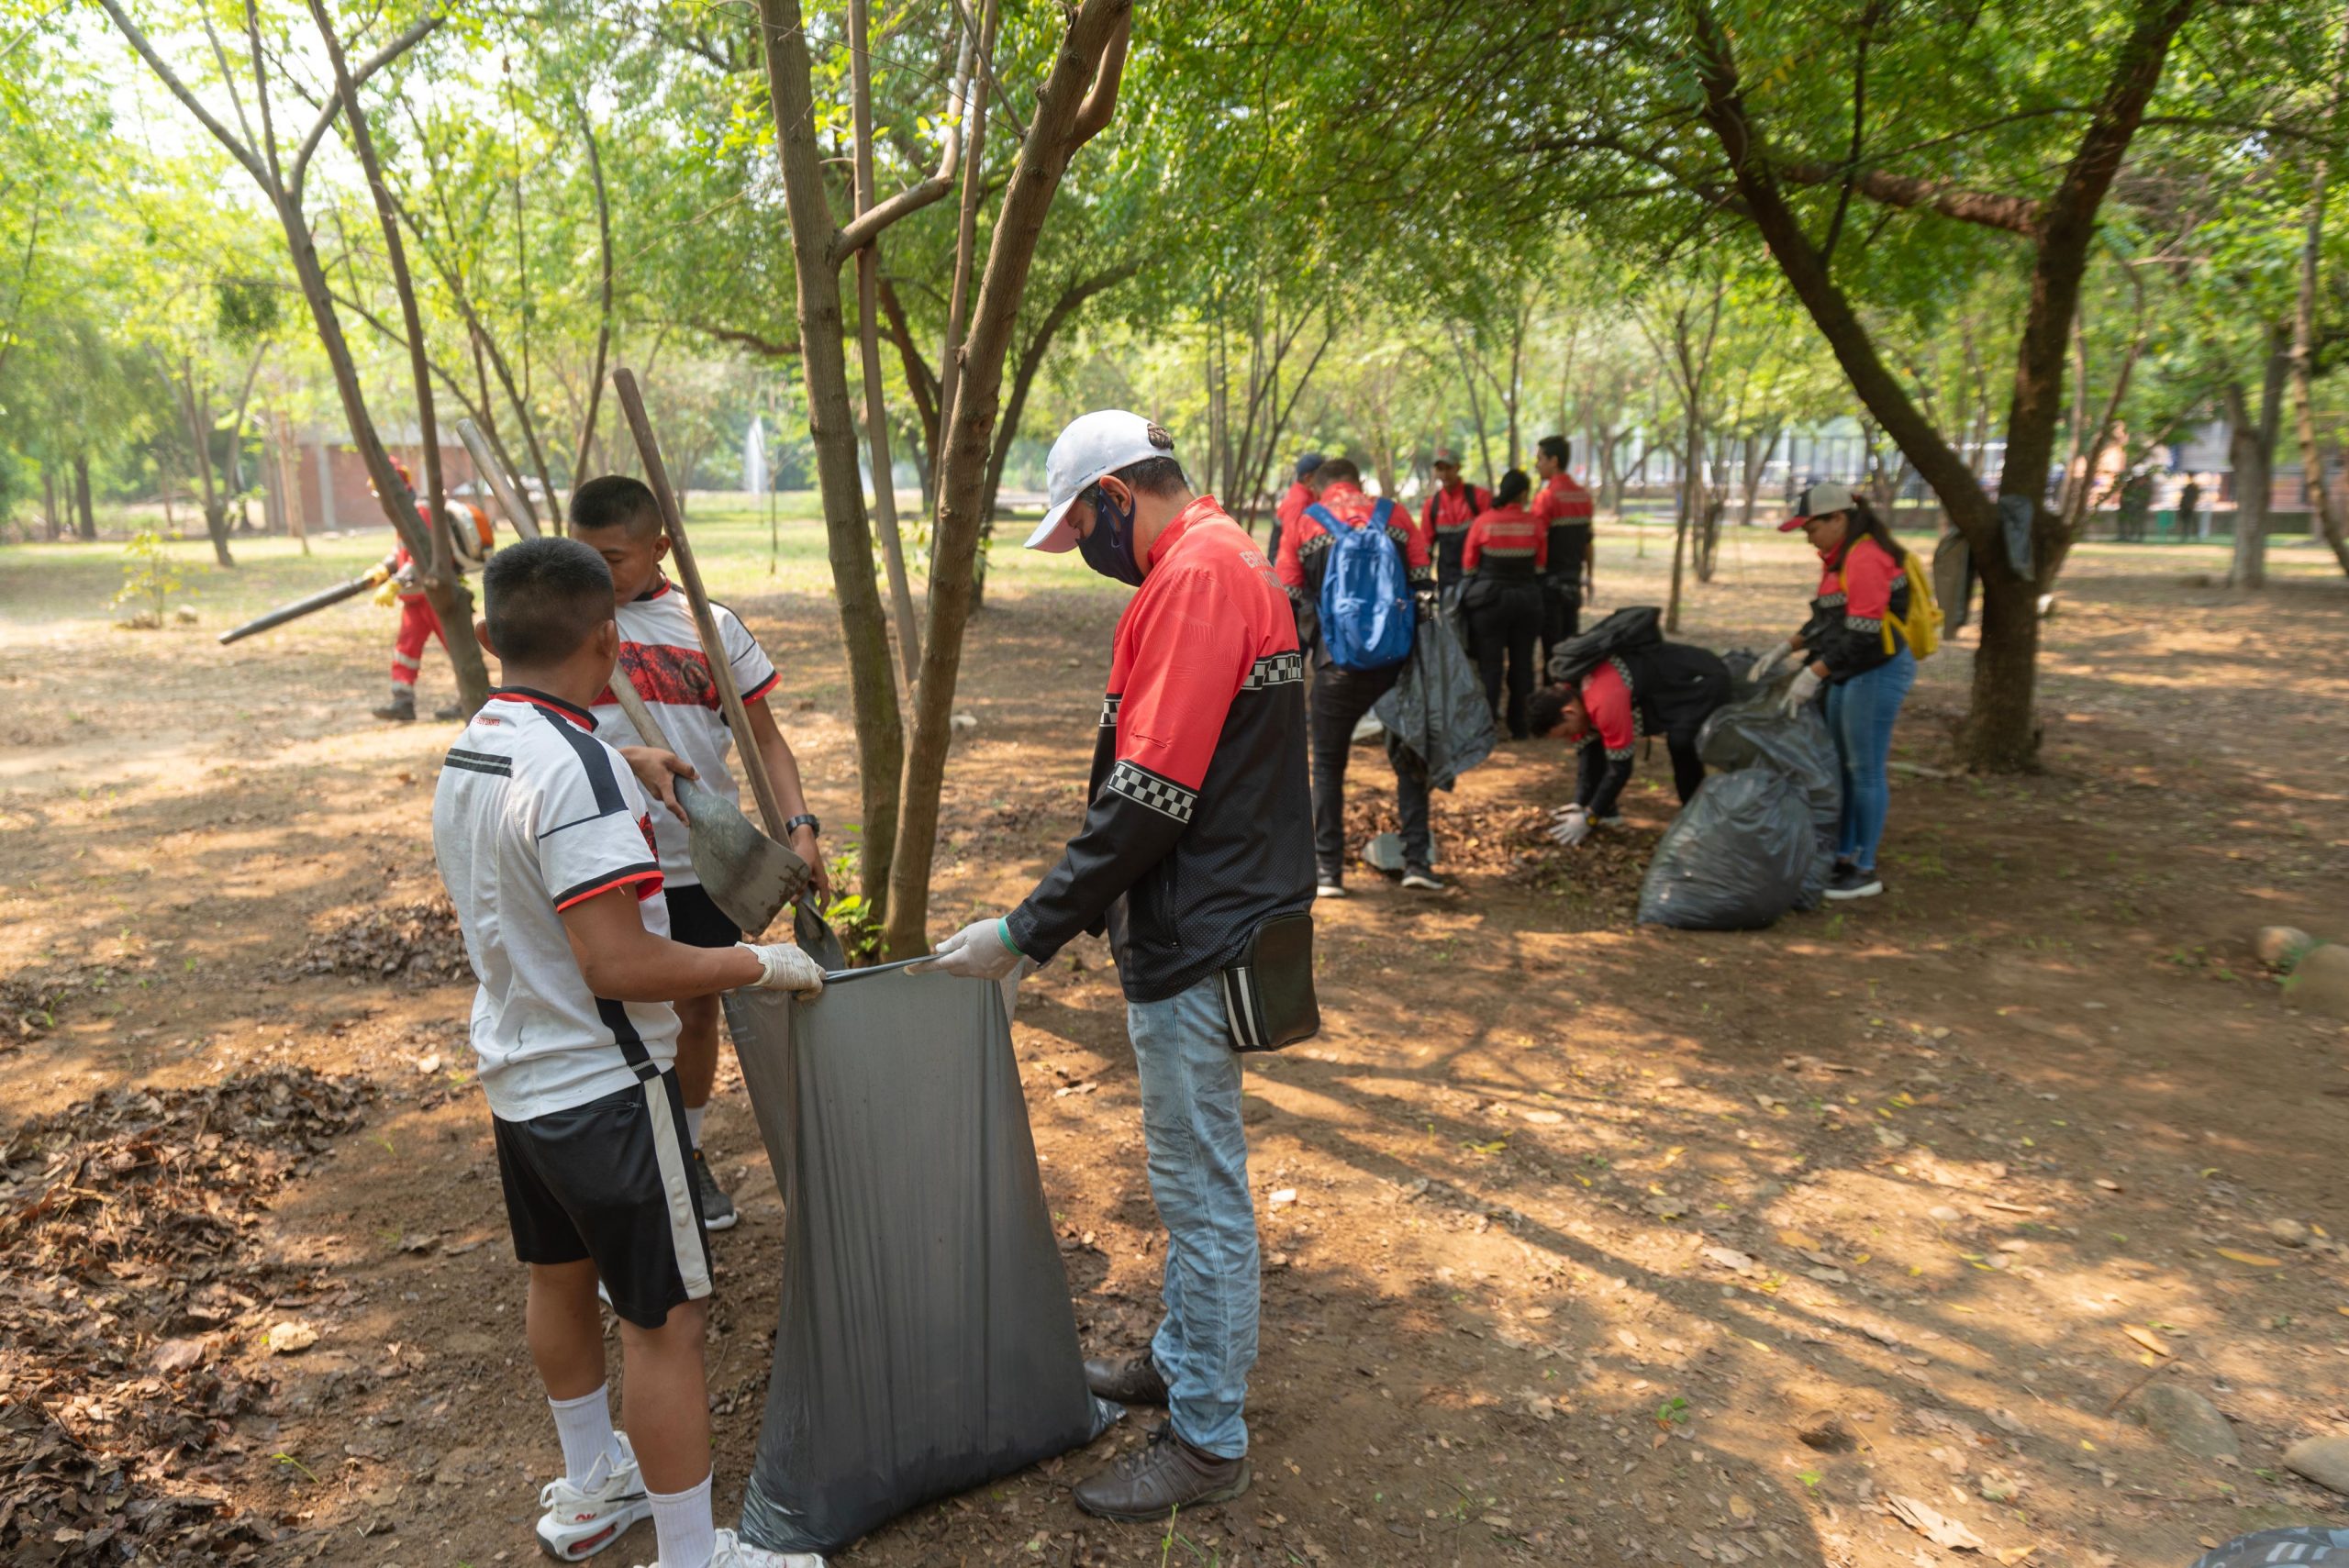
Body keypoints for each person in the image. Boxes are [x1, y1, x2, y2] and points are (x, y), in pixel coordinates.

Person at [923, 410, 1312, 1521]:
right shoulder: (1225, 556)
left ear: (1114, 496)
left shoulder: (1195, 577)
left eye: (1082, 526)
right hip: (1216, 904)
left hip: (1202, 924)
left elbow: (1149, 796)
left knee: (1199, 1187)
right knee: (1192, 1174)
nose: (1086, 550)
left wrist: (1024, 930)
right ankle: (1182, 1360)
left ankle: (1207, 1438)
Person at [429, 536, 824, 1568]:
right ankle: (691, 1555)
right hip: (608, 1085)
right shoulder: (580, 773)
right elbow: (617, 960)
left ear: (488, 637)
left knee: (558, 1277)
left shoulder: (476, 746)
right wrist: (755, 963)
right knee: (668, 1320)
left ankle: (594, 1485)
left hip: (520, 1076)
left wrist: (625, 764)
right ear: (610, 641)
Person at [568, 475, 831, 1236]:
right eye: (583, 556)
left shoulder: (708, 627)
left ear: (659, 547)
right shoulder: (571, 626)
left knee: (695, 1009)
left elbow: (766, 741)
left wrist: (800, 827)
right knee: (605, 1009)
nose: (596, 574)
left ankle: (684, 1152)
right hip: (602, 857)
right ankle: (624, 1163)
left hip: (701, 860)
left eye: (612, 559)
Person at [1274, 456, 1442, 895]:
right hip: (1398, 665)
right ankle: (1417, 862)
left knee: (1328, 767)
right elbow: (1425, 589)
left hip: (1337, 666)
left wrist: (1303, 659)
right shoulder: (1395, 515)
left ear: (1319, 487)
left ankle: (1329, 871)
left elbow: (1287, 598)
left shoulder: (1306, 522)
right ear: (1359, 482)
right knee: (1411, 762)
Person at [1750, 481, 1918, 900]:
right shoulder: (1837, 558)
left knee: (1865, 769)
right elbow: (1827, 622)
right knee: (1840, 765)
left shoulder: (1865, 557)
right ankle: (1842, 856)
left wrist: (1813, 674)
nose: (1809, 538)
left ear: (1838, 518)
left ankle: (1864, 868)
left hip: (1877, 669)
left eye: (1812, 528)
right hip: (1850, 669)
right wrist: (1786, 648)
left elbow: (1862, 633)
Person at [1531, 638, 1732, 845]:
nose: (1568, 739)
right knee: (1597, 744)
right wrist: (1580, 803)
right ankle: (1608, 813)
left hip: (1700, 679)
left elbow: (1620, 769)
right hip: (1666, 681)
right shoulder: (1569, 691)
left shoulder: (1603, 702)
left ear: (1569, 712)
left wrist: (1590, 817)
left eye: (1566, 732)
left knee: (1681, 743)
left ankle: (1699, 819)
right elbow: (1588, 752)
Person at [371, 456, 495, 723]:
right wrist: (383, 569)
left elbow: (424, 558)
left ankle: (469, 699)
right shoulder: (402, 514)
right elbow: (401, 553)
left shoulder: (420, 512)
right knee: (405, 650)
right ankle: (402, 701)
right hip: (414, 598)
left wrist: (396, 582)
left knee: (457, 648)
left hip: (436, 595)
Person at [1455, 469, 1545, 739]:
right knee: (1523, 665)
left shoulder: (1483, 522)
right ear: (1523, 494)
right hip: (1527, 602)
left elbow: (1468, 567)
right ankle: (1521, 726)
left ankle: (1487, 725)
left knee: (1490, 666)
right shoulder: (1535, 524)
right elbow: (1540, 567)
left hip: (1489, 604)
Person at [1531, 435, 1596, 672]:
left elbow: (1535, 542)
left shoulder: (1546, 498)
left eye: (1540, 459)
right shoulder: (1584, 496)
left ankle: (1552, 689)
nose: (1537, 464)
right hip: (1573, 581)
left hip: (1549, 584)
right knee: (1570, 642)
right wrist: (1589, 575)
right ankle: (1568, 689)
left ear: (1554, 461)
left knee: (1551, 646)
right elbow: (1588, 542)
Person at [1419, 447, 1493, 600]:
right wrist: (1423, 582)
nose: (1444, 474)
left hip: (1478, 576)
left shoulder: (1480, 497)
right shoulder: (1431, 505)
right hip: (1447, 578)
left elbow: (1492, 539)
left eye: (1449, 468)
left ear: (1458, 467)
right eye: (1440, 469)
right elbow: (1426, 546)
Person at [1269, 451, 1323, 565]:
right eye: (1323, 476)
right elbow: (1291, 543)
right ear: (1308, 478)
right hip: (1285, 565)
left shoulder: (1307, 495)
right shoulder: (1299, 501)